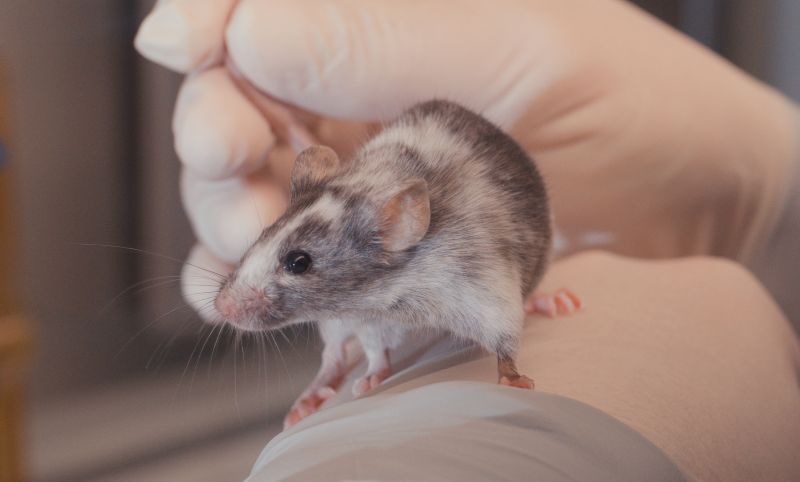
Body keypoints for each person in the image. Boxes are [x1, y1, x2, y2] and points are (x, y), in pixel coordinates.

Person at [136, 0, 800, 480]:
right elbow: (359, 304)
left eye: (300, 262)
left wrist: (508, 365)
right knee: (352, 319)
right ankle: (340, 361)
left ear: (398, 231)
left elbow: (485, 298)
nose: (235, 302)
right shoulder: (367, 243)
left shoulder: (441, 254)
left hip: (479, 213)